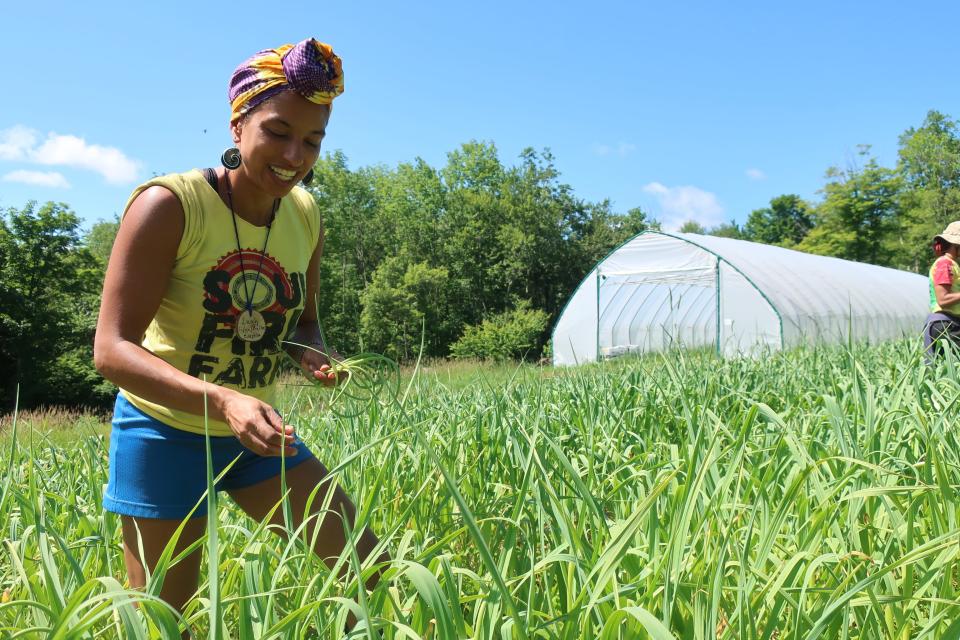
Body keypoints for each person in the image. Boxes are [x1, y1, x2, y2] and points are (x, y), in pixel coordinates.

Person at [94, 38, 383, 632]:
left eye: (313, 141)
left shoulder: (305, 214)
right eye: (278, 132)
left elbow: (304, 323)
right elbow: (112, 351)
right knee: (162, 621)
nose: (295, 155)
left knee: (367, 569)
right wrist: (224, 400)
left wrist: (316, 355)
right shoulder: (169, 205)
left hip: (255, 436)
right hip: (162, 433)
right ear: (238, 122)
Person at [924, 221, 960, 360]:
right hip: (946, 326)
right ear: (956, 245)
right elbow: (943, 299)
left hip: (951, 323)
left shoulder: (952, 264)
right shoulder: (944, 264)